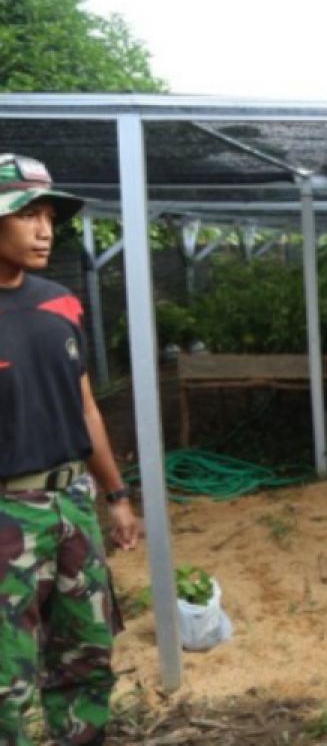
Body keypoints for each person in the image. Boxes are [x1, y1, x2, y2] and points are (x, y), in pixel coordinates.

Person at [0, 154, 140, 746]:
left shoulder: (60, 302)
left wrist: (115, 495)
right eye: (26, 214)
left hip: (72, 504)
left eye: (49, 215)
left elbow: (85, 408)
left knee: (86, 656)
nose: (44, 229)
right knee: (8, 678)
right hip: (7, 516)